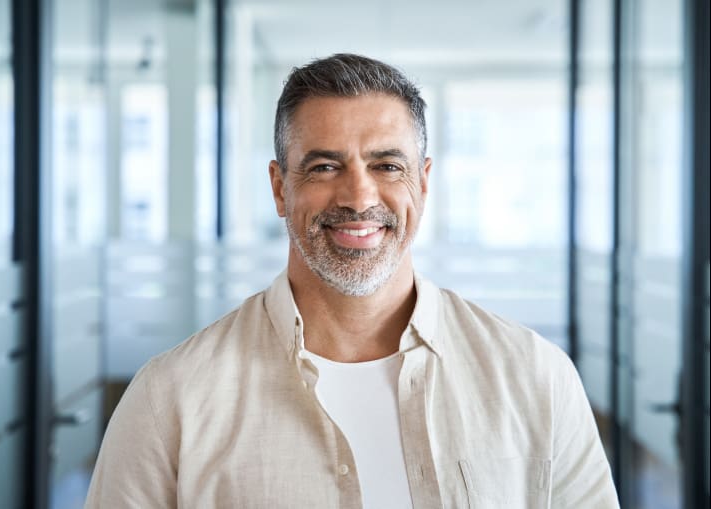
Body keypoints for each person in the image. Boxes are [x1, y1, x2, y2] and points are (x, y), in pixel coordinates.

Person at [84, 54, 619, 508]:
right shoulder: (170, 398)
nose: (359, 198)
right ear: (278, 188)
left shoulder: (535, 377)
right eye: (323, 167)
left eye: (387, 165)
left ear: (423, 184)